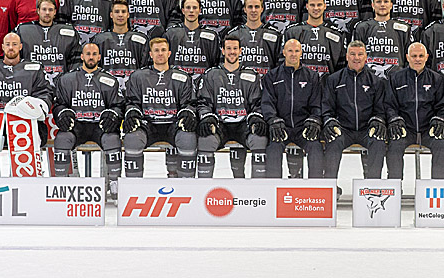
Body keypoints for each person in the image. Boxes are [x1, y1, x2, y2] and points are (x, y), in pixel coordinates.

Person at [52, 42, 124, 197]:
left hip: (100, 126)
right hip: (77, 125)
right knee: (62, 138)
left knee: (112, 139)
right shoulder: (67, 79)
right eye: (88, 54)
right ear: (82, 56)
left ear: (99, 57)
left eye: (94, 54)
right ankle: (61, 184)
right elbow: (59, 104)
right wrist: (62, 113)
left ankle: (114, 183)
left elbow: (118, 105)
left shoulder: (110, 80)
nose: (91, 57)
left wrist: (113, 114)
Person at [122, 37, 197, 178]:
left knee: (188, 138)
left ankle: (187, 185)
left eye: (163, 50)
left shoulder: (182, 77)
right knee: (132, 139)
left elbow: (189, 103)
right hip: (147, 125)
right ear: (151, 54)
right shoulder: (138, 77)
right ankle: (134, 186)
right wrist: (132, 114)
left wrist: (187, 114)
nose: (160, 53)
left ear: (169, 53)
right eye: (156, 50)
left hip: (173, 124)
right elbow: (132, 102)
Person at [195, 35, 267, 178]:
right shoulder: (211, 74)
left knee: (259, 138)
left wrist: (256, 118)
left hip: (243, 124)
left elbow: (258, 103)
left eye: (235, 48)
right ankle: (203, 187)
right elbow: (203, 102)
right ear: (222, 51)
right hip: (220, 124)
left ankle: (259, 188)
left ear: (241, 51)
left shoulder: (251, 75)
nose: (232, 52)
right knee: (205, 139)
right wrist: (207, 117)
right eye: (228, 48)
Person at [321, 41, 392, 179]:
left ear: (366, 57)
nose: (356, 58)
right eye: (352, 54)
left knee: (378, 141)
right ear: (347, 56)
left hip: (367, 129)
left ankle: (372, 185)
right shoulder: (334, 79)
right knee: (333, 141)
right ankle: (330, 184)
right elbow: (327, 107)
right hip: (343, 129)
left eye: (360, 54)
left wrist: (377, 121)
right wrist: (329, 121)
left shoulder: (376, 81)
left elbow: (380, 110)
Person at [0, 32, 54, 145]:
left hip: (26, 122)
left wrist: (38, 107)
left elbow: (45, 92)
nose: (10, 48)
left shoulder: (35, 69)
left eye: (14, 44)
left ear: (20, 46)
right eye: (7, 44)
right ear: (3, 47)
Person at [384, 42, 444, 179]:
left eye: (421, 56)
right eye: (414, 56)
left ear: (426, 57)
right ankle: (395, 187)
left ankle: (438, 187)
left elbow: (442, 106)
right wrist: (394, 119)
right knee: (394, 146)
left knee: (441, 144)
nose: (417, 59)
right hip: (405, 129)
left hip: (428, 129)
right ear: (407, 57)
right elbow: (389, 105)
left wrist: (439, 120)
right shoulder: (396, 78)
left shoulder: (436, 79)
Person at [262, 39, 324, 178]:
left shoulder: (312, 76)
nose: (293, 54)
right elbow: (267, 102)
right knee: (273, 149)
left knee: (316, 148)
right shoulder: (272, 76)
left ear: (301, 53)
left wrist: (314, 119)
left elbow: (317, 104)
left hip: (304, 127)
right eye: (290, 50)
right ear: (284, 52)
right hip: (281, 127)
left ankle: (316, 188)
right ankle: (273, 188)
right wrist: (273, 120)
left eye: (297, 51)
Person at [15, 0, 82, 85]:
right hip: (32, 83)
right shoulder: (23, 30)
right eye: (44, 9)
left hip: (61, 84)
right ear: (38, 11)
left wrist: (69, 80)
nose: (47, 13)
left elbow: (76, 59)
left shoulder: (69, 31)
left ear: (55, 12)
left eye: (50, 10)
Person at [351, 0, 413, 78]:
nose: (382, 5)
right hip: (368, 81)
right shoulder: (362, 27)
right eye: (379, 2)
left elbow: (410, 57)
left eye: (386, 1)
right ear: (373, 5)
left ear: (391, 5)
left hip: (396, 80)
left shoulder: (404, 29)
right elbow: (354, 57)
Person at [283, 0, 346, 75]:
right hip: (298, 85)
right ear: (307, 6)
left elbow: (341, 69)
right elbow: (283, 64)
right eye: (312, 5)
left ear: (325, 6)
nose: (316, 8)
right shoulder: (292, 32)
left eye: (319, 5)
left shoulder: (337, 34)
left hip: (326, 86)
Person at [92, 0, 150, 86]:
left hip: (133, 88)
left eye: (123, 12)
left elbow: (145, 68)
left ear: (128, 14)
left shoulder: (142, 40)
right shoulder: (99, 40)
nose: (120, 15)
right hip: (107, 89)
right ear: (111, 15)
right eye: (116, 12)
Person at [224, 0, 282, 76]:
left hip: (267, 83)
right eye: (250, 7)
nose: (253, 10)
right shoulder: (233, 34)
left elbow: (279, 64)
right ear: (244, 9)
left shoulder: (275, 35)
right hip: (241, 84)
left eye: (257, 7)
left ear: (262, 9)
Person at [163, 0, 220, 78]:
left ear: (200, 10)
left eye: (195, 7)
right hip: (176, 83)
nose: (191, 11)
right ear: (183, 10)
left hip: (203, 84)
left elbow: (216, 63)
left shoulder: (212, 36)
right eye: (188, 7)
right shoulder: (171, 33)